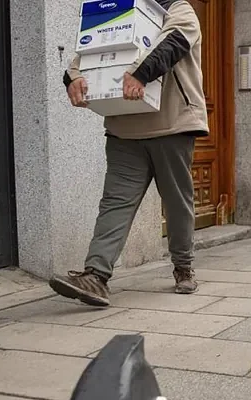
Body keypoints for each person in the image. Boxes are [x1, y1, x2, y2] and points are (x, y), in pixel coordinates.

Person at [49, 0, 207, 307]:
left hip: (171, 124)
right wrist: (73, 80)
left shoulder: (178, 8)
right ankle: (96, 276)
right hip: (124, 128)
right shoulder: (117, 14)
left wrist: (140, 74)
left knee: (176, 202)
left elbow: (174, 41)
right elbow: (85, 55)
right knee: (115, 203)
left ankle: (183, 267)